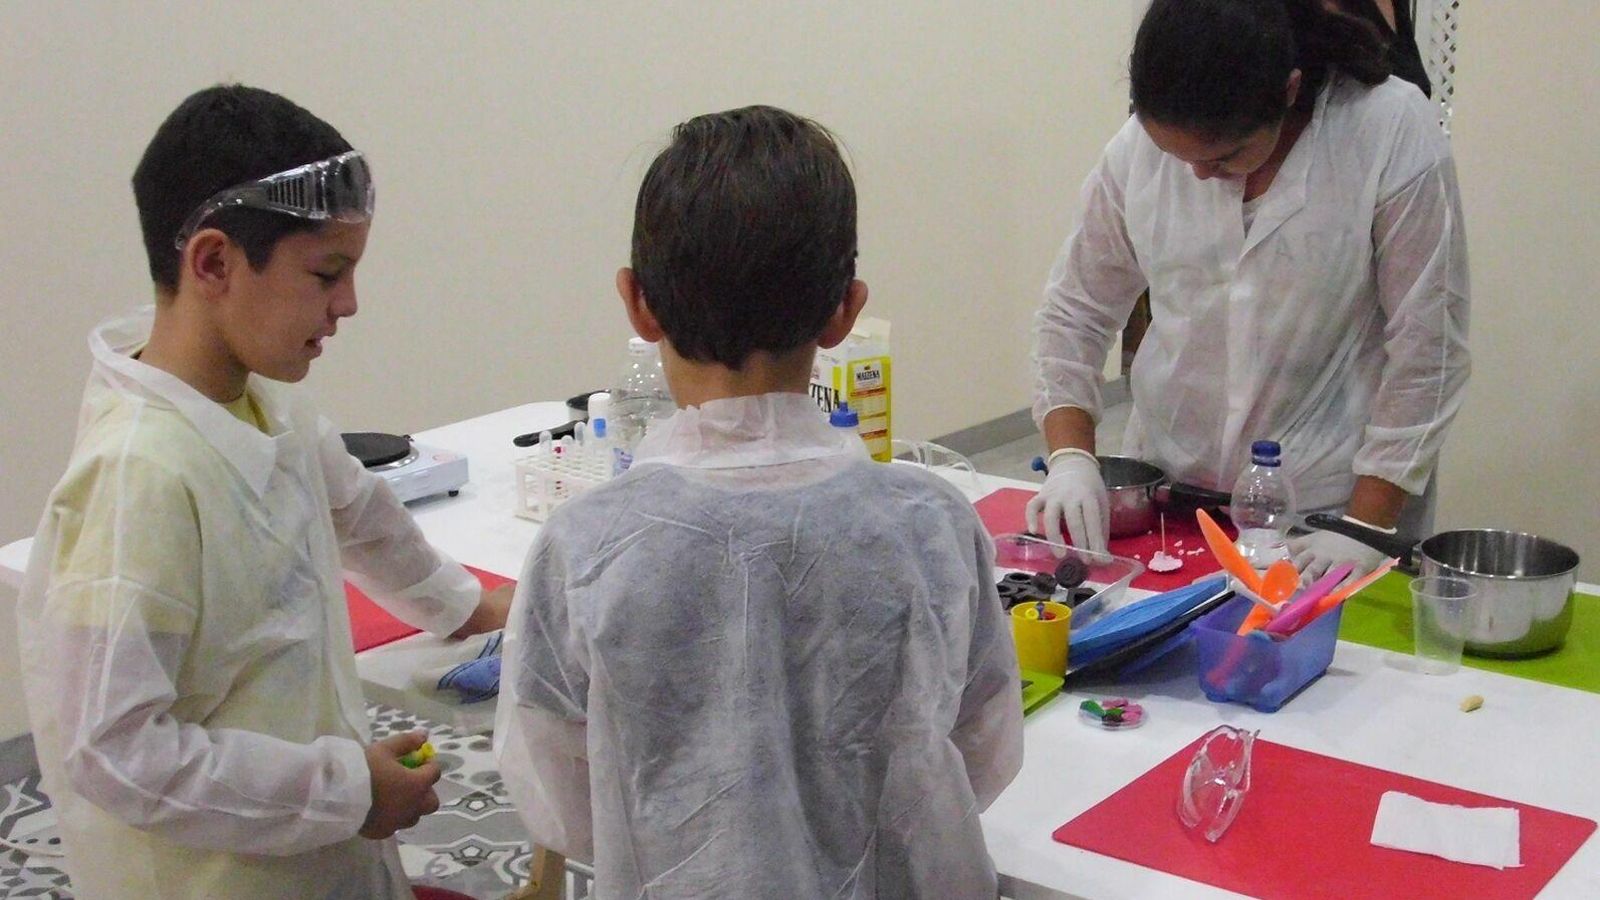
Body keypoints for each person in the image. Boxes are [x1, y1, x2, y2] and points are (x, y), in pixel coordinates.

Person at [496, 105, 1023, 898]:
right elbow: (983, 750)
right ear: (845, 310)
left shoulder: (585, 544)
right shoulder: (931, 521)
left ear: (639, 304)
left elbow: (557, 794)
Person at [15, 85, 511, 900]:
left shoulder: (262, 402)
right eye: (327, 274)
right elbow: (113, 752)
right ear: (212, 262)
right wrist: (346, 791)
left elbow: (359, 510)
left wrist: (470, 607)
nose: (348, 304)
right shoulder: (138, 477)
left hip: (313, 858)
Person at [1027, 0, 1469, 583]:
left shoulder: (1385, 130)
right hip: (1171, 500)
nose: (1198, 176)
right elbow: (1074, 311)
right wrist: (1071, 458)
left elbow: (1428, 347)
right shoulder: (1139, 148)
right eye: (1175, 155)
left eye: (1225, 155)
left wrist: (1365, 526)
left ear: (1288, 92)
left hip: (1326, 514)